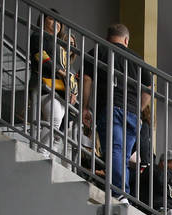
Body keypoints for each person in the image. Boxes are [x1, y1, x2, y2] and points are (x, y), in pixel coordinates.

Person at [82, 23, 151, 196]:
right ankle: (122, 193)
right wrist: (138, 109)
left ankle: (119, 192)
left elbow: (86, 80)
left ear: (107, 37)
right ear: (126, 40)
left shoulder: (100, 51)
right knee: (123, 155)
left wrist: (84, 107)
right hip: (133, 113)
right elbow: (149, 90)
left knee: (115, 151)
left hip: (111, 107)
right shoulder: (137, 59)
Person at [29, 13, 78, 156]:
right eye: (51, 18)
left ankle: (47, 156)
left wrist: (73, 91)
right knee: (55, 120)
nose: (56, 22)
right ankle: (41, 154)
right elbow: (40, 56)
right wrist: (61, 72)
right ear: (43, 21)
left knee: (58, 130)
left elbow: (69, 72)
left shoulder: (59, 45)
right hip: (44, 85)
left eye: (59, 21)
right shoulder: (39, 35)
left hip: (61, 92)